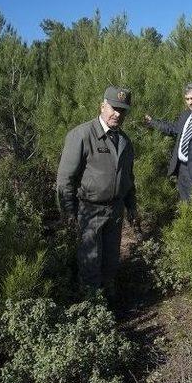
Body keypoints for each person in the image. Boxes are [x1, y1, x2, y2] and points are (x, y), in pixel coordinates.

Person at [56, 86, 138, 296]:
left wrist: (131, 207)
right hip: (90, 210)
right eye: (114, 108)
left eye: (123, 110)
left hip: (116, 211)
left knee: (110, 263)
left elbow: (129, 178)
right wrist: (68, 212)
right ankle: (91, 308)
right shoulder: (82, 135)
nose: (117, 114)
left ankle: (109, 311)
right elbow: (65, 179)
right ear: (102, 106)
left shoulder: (125, 141)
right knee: (90, 264)